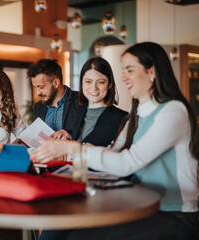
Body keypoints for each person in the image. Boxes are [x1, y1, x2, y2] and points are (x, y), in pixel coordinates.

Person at [32, 42, 199, 240]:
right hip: (137, 204)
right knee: (58, 228)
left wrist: (74, 148)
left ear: (152, 72)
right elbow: (114, 151)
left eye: (129, 70)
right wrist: (70, 150)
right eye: (123, 71)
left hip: (173, 213)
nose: (123, 77)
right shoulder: (137, 111)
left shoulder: (173, 111)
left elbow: (127, 163)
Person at [52, 57, 127, 146]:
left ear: (109, 85)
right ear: (82, 83)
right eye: (88, 81)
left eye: (101, 82)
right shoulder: (79, 111)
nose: (94, 88)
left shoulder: (122, 119)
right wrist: (70, 137)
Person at [27, 59, 80, 138]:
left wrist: (70, 137)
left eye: (41, 87)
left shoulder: (80, 100)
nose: (38, 93)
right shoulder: (38, 107)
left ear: (56, 83)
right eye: (36, 87)